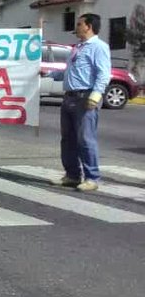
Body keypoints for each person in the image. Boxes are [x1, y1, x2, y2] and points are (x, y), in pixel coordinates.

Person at [55, 13, 111, 192]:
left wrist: (95, 96)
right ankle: (72, 175)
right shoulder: (77, 47)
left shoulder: (98, 47)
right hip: (69, 97)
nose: (76, 27)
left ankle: (92, 177)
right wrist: (48, 74)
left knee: (85, 139)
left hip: (85, 97)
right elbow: (70, 71)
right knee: (68, 139)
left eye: (79, 24)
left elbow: (103, 73)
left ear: (89, 26)